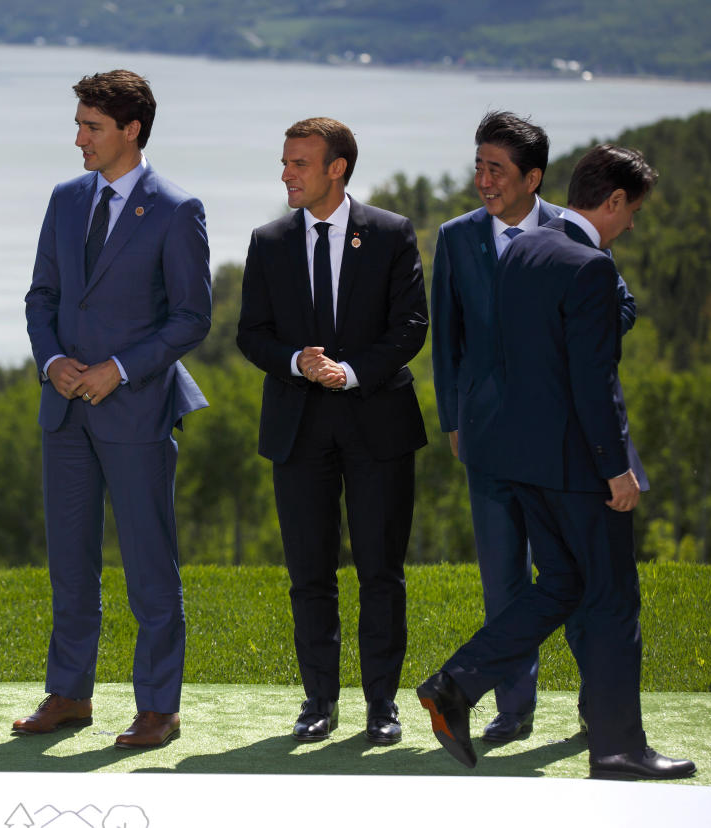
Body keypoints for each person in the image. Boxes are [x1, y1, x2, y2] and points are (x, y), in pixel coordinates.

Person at [417, 144, 695, 780]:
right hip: (578, 468)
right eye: (633, 212)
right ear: (616, 200)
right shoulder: (590, 264)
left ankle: (455, 685)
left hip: (524, 462)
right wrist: (615, 467)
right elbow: (593, 382)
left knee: (562, 586)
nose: (633, 225)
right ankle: (620, 748)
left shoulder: (522, 250)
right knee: (614, 601)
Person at [18, 69, 211, 749]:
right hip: (64, 411)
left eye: (91, 127)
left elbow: (192, 318)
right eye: (78, 124)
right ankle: (69, 694)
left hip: (137, 412)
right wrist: (53, 362)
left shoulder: (177, 209)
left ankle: (159, 706)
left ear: (131, 130)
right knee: (71, 564)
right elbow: (41, 297)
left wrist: (119, 370)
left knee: (149, 565)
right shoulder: (65, 199)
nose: (79, 139)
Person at [430, 111, 638, 743]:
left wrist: (567, 344)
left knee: (570, 576)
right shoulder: (457, 236)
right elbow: (448, 338)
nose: (483, 180)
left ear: (533, 177)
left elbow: (617, 306)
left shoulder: (571, 233)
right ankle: (512, 709)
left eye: (496, 169)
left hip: (564, 434)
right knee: (507, 575)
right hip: (487, 434)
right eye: (479, 166)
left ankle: (591, 707)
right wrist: (453, 421)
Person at [236, 118, 428, 745]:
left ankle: (382, 707)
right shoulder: (268, 242)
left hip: (378, 423)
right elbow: (252, 335)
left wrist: (349, 372)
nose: (286, 173)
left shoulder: (393, 234)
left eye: (299, 163)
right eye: (285, 161)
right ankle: (318, 702)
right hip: (298, 429)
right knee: (309, 575)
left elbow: (411, 327)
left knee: (381, 572)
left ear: (337, 168)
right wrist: (298, 362)